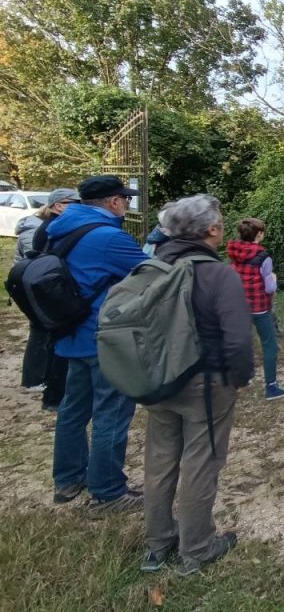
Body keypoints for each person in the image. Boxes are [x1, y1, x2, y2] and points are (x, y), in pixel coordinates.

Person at [142, 195, 253, 575]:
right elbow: (238, 338)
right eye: (219, 222)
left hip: (158, 380)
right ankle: (198, 548)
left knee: (159, 462)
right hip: (206, 385)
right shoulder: (218, 274)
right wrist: (240, 377)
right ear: (211, 229)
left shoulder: (152, 266)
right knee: (201, 463)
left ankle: (158, 543)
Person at [47, 175, 149, 515]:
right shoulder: (108, 237)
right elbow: (153, 274)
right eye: (125, 199)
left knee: (73, 411)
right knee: (112, 413)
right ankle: (107, 493)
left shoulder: (59, 228)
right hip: (104, 338)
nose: (127, 205)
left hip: (71, 335)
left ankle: (68, 480)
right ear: (114, 202)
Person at [14, 187, 79, 408]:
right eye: (74, 203)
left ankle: (42, 382)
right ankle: (40, 383)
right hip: (44, 289)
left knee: (44, 335)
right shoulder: (48, 228)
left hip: (43, 288)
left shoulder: (50, 226)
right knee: (43, 335)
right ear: (58, 206)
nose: (80, 207)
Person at [227, 217, 284, 401]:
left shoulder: (234, 251)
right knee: (269, 345)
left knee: (240, 343)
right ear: (258, 235)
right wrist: (274, 278)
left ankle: (238, 380)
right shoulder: (263, 257)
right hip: (259, 307)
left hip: (238, 305)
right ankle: (271, 387)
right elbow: (269, 288)